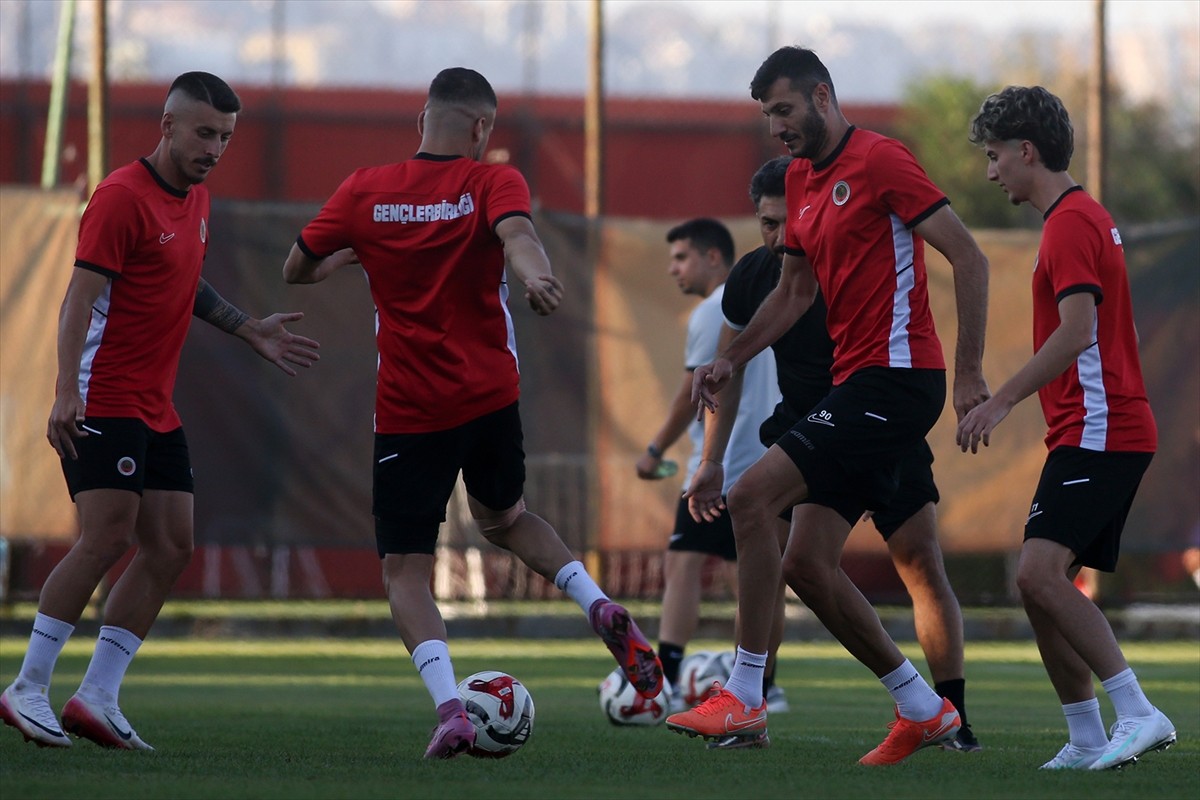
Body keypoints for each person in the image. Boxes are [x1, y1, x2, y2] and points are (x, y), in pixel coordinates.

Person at [282, 67, 663, 760]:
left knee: (405, 569)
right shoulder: (492, 181)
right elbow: (519, 237)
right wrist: (536, 274)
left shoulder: (363, 190)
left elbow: (294, 269)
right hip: (489, 397)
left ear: (422, 119)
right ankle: (597, 603)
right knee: (506, 518)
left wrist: (350, 252)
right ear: (482, 128)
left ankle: (452, 707)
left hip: (408, 409)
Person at [666, 46, 990, 766]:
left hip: (899, 380)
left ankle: (746, 698)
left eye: (783, 110)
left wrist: (968, 374)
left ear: (821, 95)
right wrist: (730, 357)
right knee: (804, 564)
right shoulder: (803, 183)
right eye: (766, 116)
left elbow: (968, 256)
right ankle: (920, 707)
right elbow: (793, 295)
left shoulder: (881, 161)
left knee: (751, 497)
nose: (776, 127)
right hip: (857, 386)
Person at [0, 72, 321, 751]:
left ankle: (97, 697)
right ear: (168, 126)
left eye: (225, 137)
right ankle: (27, 687)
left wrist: (246, 328)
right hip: (106, 393)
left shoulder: (196, 199)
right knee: (107, 535)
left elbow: (181, 277)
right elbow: (78, 299)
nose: (214, 147)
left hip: (155, 405)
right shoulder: (120, 197)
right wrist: (66, 389)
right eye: (204, 132)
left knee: (172, 544)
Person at [961, 85, 1175, 770]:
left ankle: (1139, 713)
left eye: (995, 156)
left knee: (1039, 574)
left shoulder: (1071, 222)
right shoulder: (1081, 219)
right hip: (1097, 427)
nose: (991, 172)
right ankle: (1086, 736)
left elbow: (1079, 331)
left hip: (1102, 429)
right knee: (1038, 581)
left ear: (1027, 151)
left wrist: (1003, 401)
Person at [635, 218, 787, 720]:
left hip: (725, 462)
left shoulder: (714, 309)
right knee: (759, 576)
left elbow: (693, 392)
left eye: (682, 257)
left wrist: (656, 449)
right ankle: (766, 685)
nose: (674, 268)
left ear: (713, 258)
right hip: (773, 458)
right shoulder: (779, 301)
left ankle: (669, 681)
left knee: (683, 565)